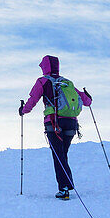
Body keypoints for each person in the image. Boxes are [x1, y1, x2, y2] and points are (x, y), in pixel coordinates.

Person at [20, 55, 91, 199]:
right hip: (71, 123)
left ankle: (64, 188)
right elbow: (87, 102)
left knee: (58, 155)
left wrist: (23, 110)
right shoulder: (66, 82)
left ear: (44, 67)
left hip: (54, 122)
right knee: (62, 154)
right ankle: (66, 185)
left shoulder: (43, 81)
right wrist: (88, 96)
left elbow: (32, 100)